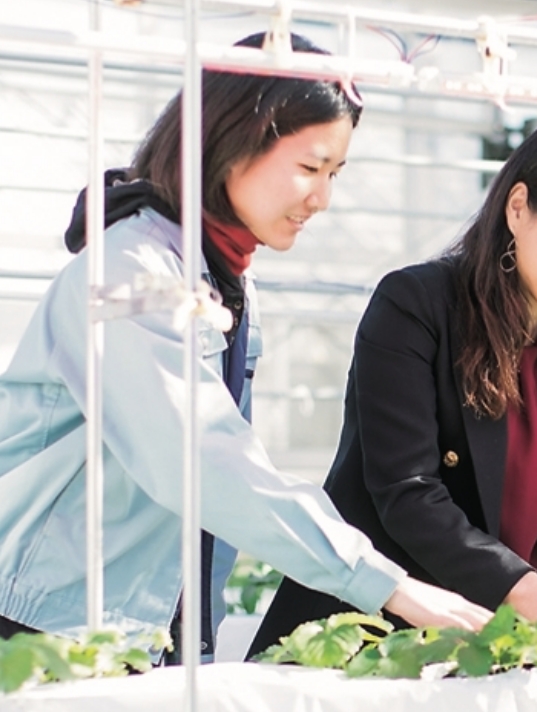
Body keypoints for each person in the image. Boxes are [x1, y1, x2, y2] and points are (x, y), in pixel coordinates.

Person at [0, 32, 490, 656]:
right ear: (229, 144)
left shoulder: (225, 274)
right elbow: (201, 459)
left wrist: (196, 637)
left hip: (135, 628)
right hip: (43, 622)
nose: (322, 198)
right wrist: (383, 583)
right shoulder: (131, 275)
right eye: (310, 168)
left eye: (335, 173)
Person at [247, 113, 537, 657]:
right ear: (518, 207)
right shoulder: (415, 306)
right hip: (376, 640)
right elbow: (409, 495)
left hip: (510, 646)